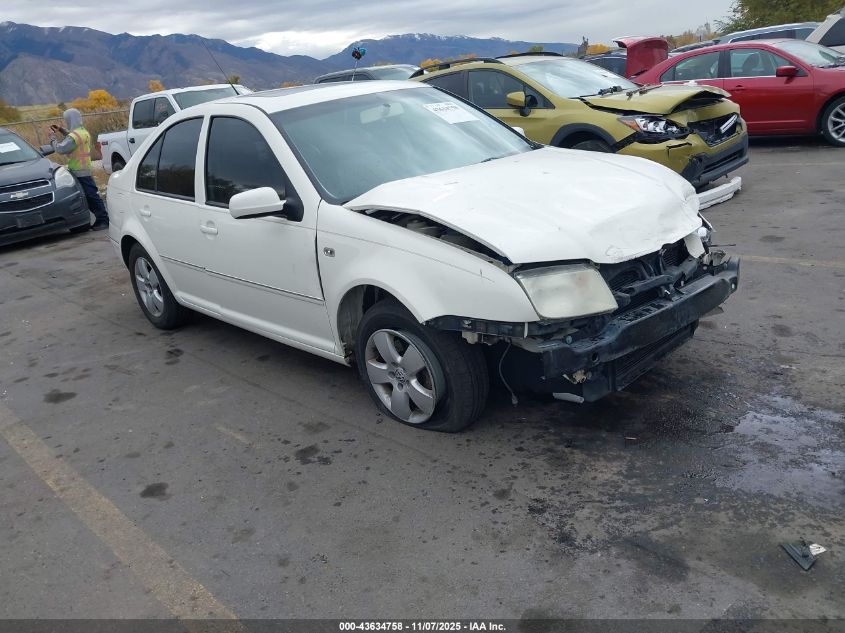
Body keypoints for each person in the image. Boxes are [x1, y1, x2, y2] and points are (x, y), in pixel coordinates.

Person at [49, 108, 109, 231]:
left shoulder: (75, 136)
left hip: (78, 169)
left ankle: (103, 220)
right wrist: (61, 130)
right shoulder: (82, 132)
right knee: (91, 195)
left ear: (70, 120)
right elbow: (72, 138)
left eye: (66, 119)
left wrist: (52, 138)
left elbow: (61, 149)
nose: (66, 122)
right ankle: (101, 219)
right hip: (84, 168)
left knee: (90, 195)